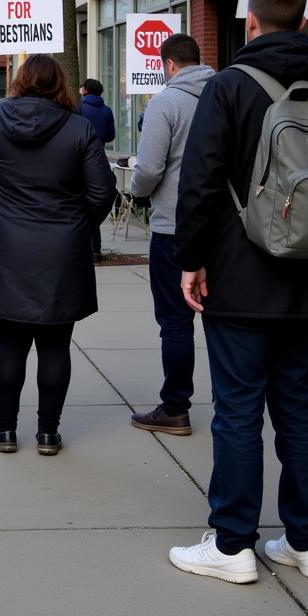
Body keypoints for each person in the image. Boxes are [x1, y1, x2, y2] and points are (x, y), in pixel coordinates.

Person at [169, 0, 308, 584]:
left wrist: (192, 258)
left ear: (252, 22)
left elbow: (201, 183)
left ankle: (233, 544)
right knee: (298, 406)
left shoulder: (230, 87)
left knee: (237, 410)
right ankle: (307, 542)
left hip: (239, 278)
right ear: (305, 20)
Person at [0, 55, 117, 456]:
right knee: (56, 346)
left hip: (9, 250)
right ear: (60, 84)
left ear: (19, 83)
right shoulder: (81, 129)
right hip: (62, 251)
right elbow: (102, 193)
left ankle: (5, 430)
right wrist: (76, 225)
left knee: (10, 344)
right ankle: (47, 434)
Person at [129, 34, 215, 436]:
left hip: (174, 227)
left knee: (176, 321)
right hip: (225, 229)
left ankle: (176, 406)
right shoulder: (226, 95)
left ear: (168, 65)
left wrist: (136, 192)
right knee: (223, 318)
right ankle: (232, 401)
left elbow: (147, 170)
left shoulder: (165, 102)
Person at [78, 78, 116, 260]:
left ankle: (83, 247)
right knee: (94, 205)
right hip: (99, 161)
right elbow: (111, 136)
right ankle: (96, 249)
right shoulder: (107, 111)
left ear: (84, 90)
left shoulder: (78, 109)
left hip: (78, 162)